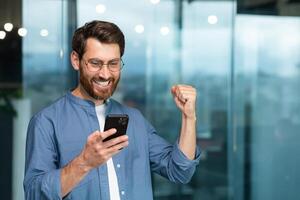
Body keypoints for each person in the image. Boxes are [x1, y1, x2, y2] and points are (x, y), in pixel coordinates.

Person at [24, 20, 201, 200]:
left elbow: (180, 171)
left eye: (113, 63)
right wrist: (84, 162)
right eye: (95, 63)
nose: (105, 74)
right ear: (76, 60)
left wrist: (189, 117)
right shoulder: (46, 122)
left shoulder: (134, 119)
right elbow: (34, 194)